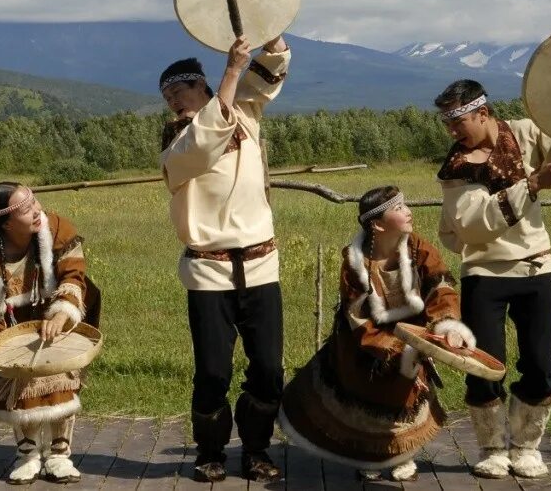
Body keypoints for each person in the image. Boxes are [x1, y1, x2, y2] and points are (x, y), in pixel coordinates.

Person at [434, 80, 551, 479]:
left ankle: (526, 447)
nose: (453, 131)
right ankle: (492, 449)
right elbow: (474, 227)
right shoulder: (456, 169)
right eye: (448, 123)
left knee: (541, 363)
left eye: (459, 121)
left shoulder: (526, 132)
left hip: (536, 267)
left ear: (483, 113)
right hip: (483, 273)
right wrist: (533, 184)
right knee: (485, 365)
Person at [158, 34, 289, 483]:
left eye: (181, 89)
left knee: (269, 369)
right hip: (208, 271)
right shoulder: (177, 142)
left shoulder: (243, 114)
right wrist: (232, 70)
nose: (173, 99)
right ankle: (210, 450)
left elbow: (267, 74)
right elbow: (204, 142)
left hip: (260, 265)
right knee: (214, 370)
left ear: (203, 88)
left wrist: (271, 33)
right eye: (167, 95)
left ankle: (256, 449)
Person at [279, 186, 475, 482]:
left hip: (414, 336)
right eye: (398, 208)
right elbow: (356, 316)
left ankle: (403, 456)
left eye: (405, 204)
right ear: (378, 224)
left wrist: (446, 326)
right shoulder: (355, 263)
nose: (408, 211)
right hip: (363, 345)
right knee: (366, 398)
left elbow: (441, 289)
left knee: (405, 397)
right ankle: (368, 454)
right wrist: (390, 348)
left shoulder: (419, 248)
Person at [0, 182, 101, 485]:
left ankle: (59, 455)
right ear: (7, 222)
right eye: (26, 209)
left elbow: (74, 274)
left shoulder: (59, 231)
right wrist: (4, 342)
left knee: (60, 378)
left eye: (35, 202)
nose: (37, 210)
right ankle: (28, 455)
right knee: (21, 384)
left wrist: (63, 310)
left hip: (57, 320)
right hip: (12, 327)